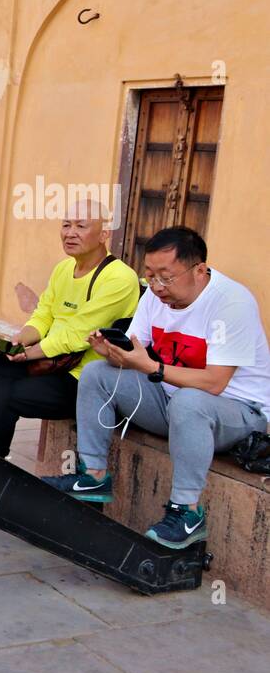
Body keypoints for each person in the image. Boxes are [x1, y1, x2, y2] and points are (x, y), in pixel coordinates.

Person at [42, 226, 270, 548]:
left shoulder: (230, 303)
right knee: (96, 373)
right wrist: (114, 354)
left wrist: (151, 367)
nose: (156, 286)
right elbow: (137, 352)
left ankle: (187, 512)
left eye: (166, 277)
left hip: (237, 414)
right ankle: (92, 477)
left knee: (190, 402)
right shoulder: (153, 295)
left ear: (199, 270)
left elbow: (215, 383)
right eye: (150, 275)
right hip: (172, 401)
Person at [0, 206, 139, 459]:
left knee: (6, 395)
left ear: (104, 234)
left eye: (81, 226)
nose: (70, 233)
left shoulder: (120, 278)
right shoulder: (63, 269)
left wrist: (30, 354)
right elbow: (43, 315)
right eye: (66, 225)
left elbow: (78, 334)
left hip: (83, 379)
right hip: (51, 363)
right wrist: (19, 340)